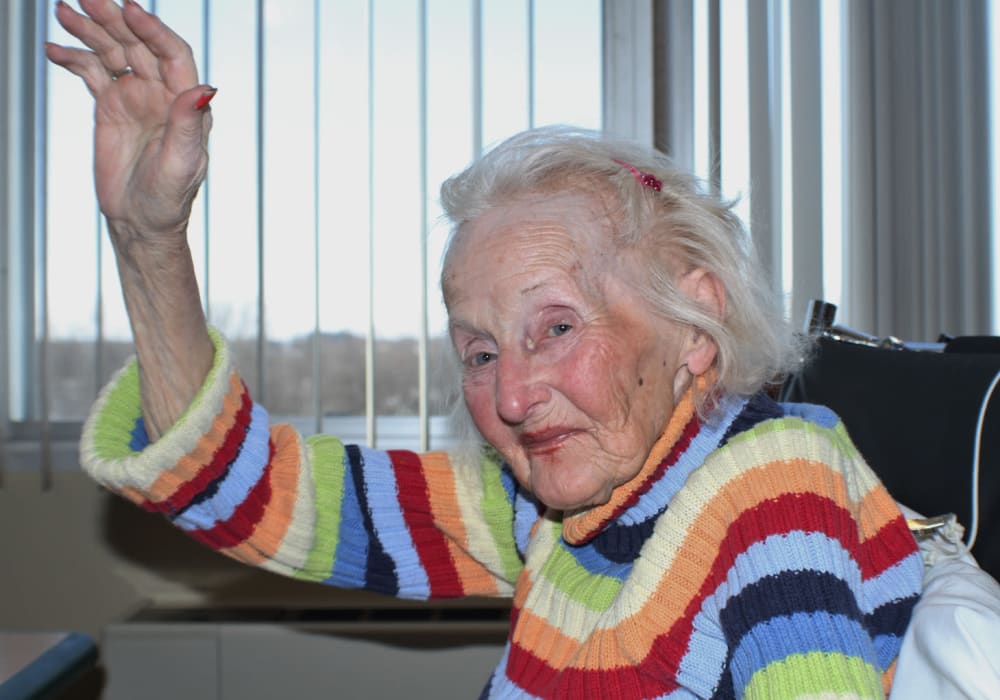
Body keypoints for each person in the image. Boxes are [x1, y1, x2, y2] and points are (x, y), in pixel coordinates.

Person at [47, 2, 923, 697]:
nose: (511, 396)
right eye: (479, 353)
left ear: (694, 330)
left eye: (556, 328)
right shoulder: (555, 507)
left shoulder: (772, 486)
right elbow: (243, 491)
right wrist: (147, 243)